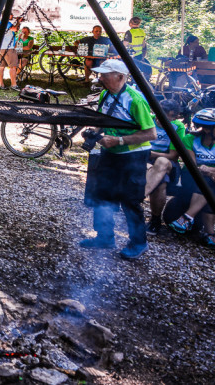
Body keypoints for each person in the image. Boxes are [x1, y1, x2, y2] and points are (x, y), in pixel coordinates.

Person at [79, 59, 157, 259]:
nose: (101, 78)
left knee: (130, 200)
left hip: (133, 155)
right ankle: (104, 237)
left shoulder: (135, 99)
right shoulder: (105, 94)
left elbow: (151, 133)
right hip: (109, 154)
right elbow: (101, 120)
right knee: (102, 195)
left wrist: (119, 140)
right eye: (101, 74)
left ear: (121, 77)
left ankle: (138, 243)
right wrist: (93, 133)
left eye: (106, 75)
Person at [167, 108, 215, 247]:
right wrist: (210, 172)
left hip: (210, 177)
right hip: (192, 176)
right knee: (207, 182)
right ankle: (209, 233)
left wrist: (211, 170)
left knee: (211, 183)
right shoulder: (190, 139)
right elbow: (192, 165)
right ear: (207, 129)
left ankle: (187, 218)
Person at [143, 99, 190, 236]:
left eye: (166, 115)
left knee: (162, 161)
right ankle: (156, 220)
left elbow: (173, 155)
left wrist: (150, 153)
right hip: (147, 161)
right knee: (161, 183)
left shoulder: (177, 127)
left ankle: (141, 195)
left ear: (174, 116)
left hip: (168, 163)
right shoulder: (148, 119)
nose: (160, 118)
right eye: (159, 113)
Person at [0, 17, 20, 89]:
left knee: (1, 67)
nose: (12, 16)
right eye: (11, 14)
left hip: (0, 47)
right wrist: (18, 22)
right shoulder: (7, 23)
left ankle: (1, 85)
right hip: (9, 48)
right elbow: (15, 29)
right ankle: (14, 85)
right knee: (13, 67)